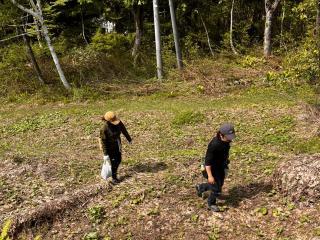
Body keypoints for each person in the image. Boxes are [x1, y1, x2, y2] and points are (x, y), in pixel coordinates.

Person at [196, 123, 236, 212]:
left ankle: (201, 187)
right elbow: (208, 162)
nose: (231, 138)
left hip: (220, 166)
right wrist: (210, 176)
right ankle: (211, 203)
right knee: (216, 189)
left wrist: (225, 161)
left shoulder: (226, 141)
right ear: (221, 135)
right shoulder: (214, 145)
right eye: (229, 136)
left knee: (219, 184)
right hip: (210, 169)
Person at [99, 111, 132, 184]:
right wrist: (105, 154)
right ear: (108, 121)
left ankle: (113, 171)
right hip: (109, 147)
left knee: (119, 159)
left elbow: (124, 130)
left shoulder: (118, 122)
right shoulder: (104, 129)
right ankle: (114, 177)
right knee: (113, 162)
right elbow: (103, 142)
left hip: (117, 144)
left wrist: (129, 139)